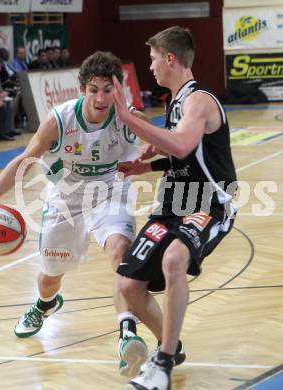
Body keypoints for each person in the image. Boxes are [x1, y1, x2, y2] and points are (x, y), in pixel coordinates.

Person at [0, 51, 150, 377]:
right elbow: (24, 163)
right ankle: (45, 304)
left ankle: (127, 336)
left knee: (121, 254)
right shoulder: (60, 119)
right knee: (50, 277)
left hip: (111, 193)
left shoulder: (129, 119)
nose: (100, 97)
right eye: (94, 89)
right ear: (82, 89)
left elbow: (165, 148)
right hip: (66, 198)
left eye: (108, 90)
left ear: (117, 91)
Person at [112, 26, 237, 390]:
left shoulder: (199, 100)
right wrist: (145, 166)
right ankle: (174, 346)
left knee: (173, 260)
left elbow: (181, 146)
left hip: (209, 204)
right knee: (129, 285)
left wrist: (130, 119)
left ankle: (162, 364)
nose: (150, 67)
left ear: (170, 58)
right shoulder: (176, 103)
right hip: (173, 205)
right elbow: (184, 159)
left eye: (152, 58)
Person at [0, 58, 21, 137]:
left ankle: (9, 129)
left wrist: (4, 94)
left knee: (10, 102)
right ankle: (4, 130)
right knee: (5, 104)